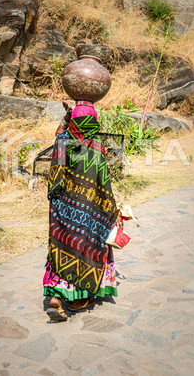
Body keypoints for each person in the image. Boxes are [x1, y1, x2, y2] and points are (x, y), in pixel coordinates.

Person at [44, 100, 123, 321]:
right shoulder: (96, 147)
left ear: (75, 122)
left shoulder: (62, 142)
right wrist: (111, 209)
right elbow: (103, 183)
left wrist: (66, 118)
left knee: (60, 245)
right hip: (88, 211)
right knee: (83, 248)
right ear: (94, 123)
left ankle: (56, 298)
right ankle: (78, 297)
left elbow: (59, 133)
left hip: (61, 210)